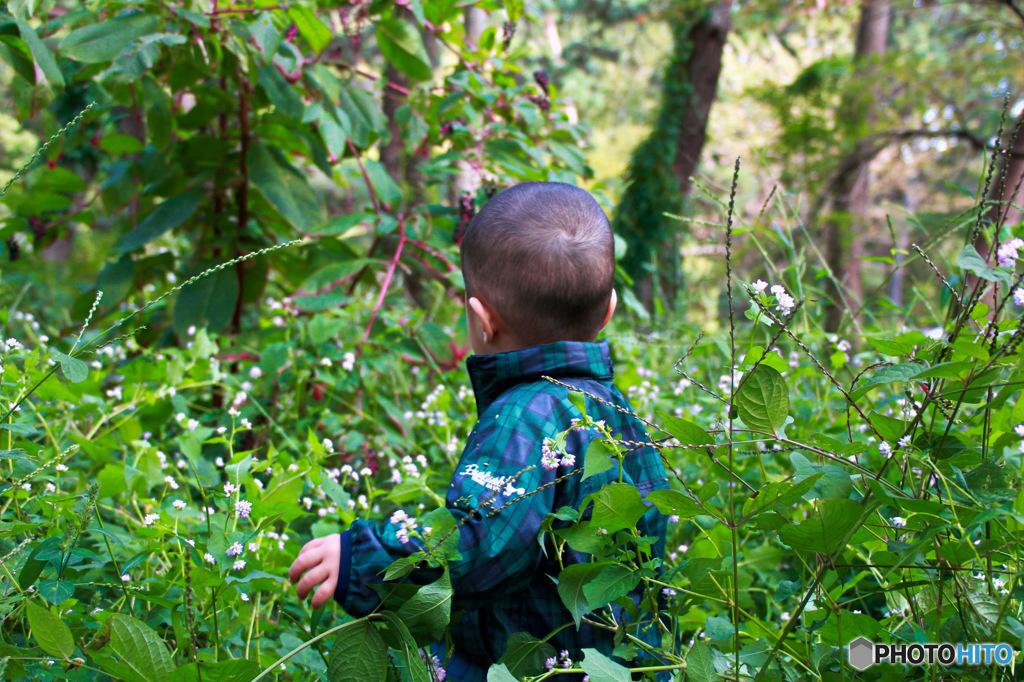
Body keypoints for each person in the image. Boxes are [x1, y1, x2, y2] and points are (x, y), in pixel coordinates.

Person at [288, 181, 670, 680]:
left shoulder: (525, 416)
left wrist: (365, 556)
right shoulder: (617, 412)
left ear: (481, 320)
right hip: (624, 664)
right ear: (610, 309)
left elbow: (479, 541)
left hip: (528, 668)